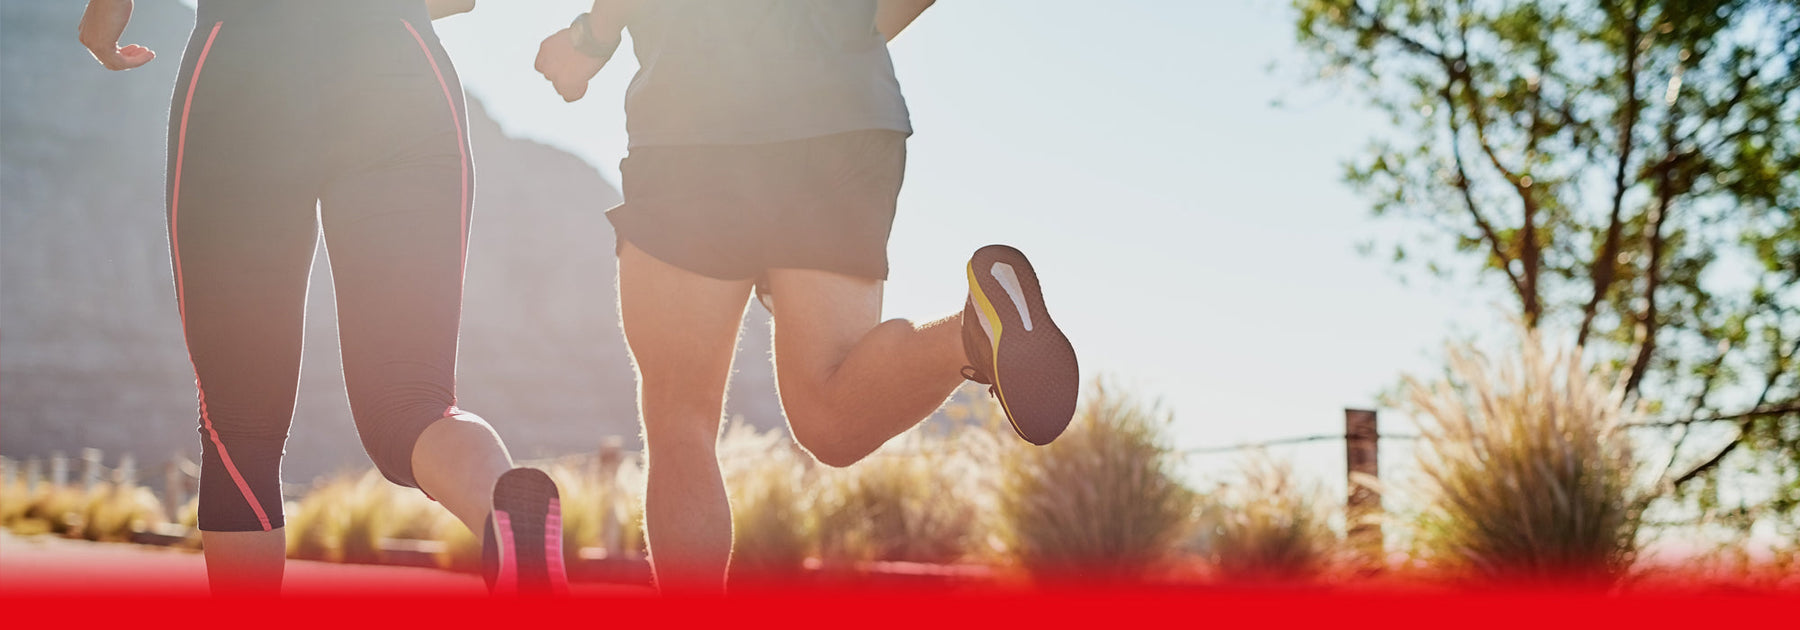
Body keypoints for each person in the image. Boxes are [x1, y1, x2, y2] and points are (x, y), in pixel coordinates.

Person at [534, 0, 1081, 593]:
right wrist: (841, 33)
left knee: (680, 419)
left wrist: (588, 39)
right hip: (846, 116)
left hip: (695, 121)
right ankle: (970, 332)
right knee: (830, 418)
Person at [76, 0, 566, 596]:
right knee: (412, 404)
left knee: (240, 426)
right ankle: (504, 516)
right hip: (399, 66)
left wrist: (102, 30)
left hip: (244, 67)